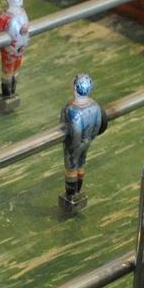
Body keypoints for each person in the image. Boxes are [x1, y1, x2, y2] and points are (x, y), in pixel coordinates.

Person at [60, 73, 107, 212]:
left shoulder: (71, 109)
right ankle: (78, 191)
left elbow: (76, 129)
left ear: (75, 88)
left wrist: (74, 145)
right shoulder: (95, 106)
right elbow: (98, 124)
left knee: (71, 167)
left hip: (75, 143)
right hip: (88, 141)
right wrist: (90, 138)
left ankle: (71, 195)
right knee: (81, 164)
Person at [0, 0, 30, 113]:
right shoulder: (4, 17)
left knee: (16, 71)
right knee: (8, 72)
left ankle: (12, 93)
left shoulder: (23, 13)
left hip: (20, 50)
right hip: (9, 52)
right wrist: (7, 48)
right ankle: (7, 96)